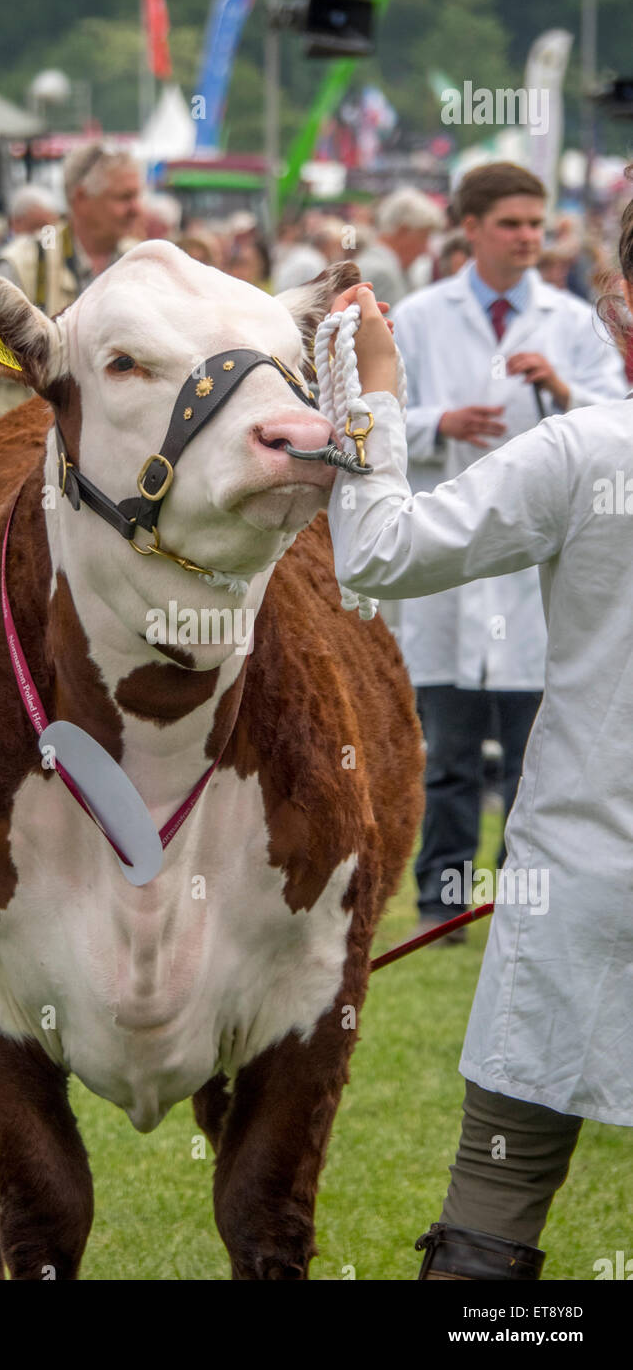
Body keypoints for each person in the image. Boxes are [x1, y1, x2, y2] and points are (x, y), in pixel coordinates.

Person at [325, 200, 633, 1274]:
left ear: (615, 319)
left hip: (577, 887)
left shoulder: (584, 447)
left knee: (485, 1240)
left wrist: (370, 384)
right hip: (571, 884)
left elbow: (374, 553)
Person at [390, 162, 627, 940]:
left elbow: (616, 420)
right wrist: (439, 424)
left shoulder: (570, 318)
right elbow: (385, 416)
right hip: (453, 556)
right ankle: (442, 902)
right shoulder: (422, 316)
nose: (528, 238)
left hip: (538, 574)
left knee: (537, 753)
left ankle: (531, 903)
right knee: (451, 751)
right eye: (511, 224)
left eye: (536, 224)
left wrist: (561, 386)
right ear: (471, 228)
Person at [0, 145, 140, 434]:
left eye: (136, 195)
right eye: (124, 197)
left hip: (104, 452)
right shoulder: (23, 261)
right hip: (21, 445)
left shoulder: (141, 262)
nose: (137, 208)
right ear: (82, 199)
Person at [355, 187, 446, 307]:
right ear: (403, 231)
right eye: (423, 238)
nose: (425, 249)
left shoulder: (379, 264)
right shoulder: (382, 273)